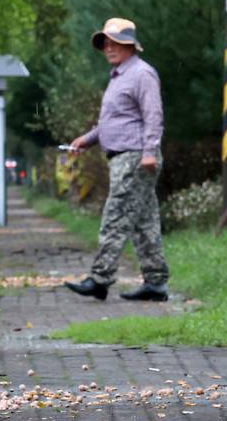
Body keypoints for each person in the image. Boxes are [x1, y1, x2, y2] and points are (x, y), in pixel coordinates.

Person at [65, 18, 169, 302]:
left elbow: (153, 115)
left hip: (136, 157)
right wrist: (87, 139)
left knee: (115, 216)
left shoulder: (142, 74)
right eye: (106, 43)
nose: (109, 48)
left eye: (116, 43)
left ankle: (99, 279)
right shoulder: (118, 77)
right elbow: (114, 121)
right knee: (144, 222)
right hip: (124, 157)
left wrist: (150, 151)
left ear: (130, 45)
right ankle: (156, 283)